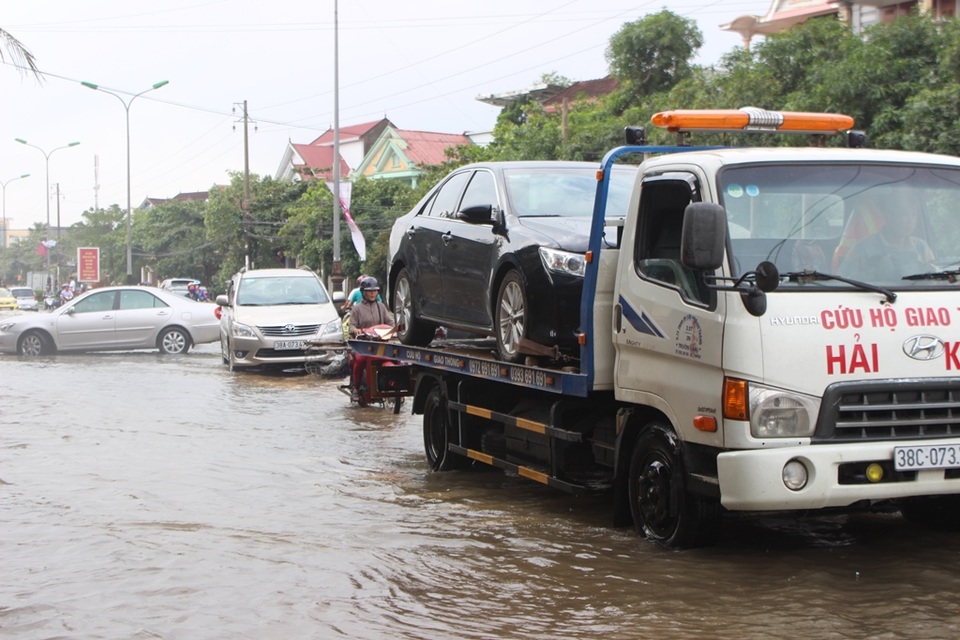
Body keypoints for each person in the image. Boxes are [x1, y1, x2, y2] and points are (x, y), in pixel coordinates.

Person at [838, 192, 935, 282]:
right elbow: (843, 282)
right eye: (904, 215)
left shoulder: (921, 247)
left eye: (914, 215)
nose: (910, 221)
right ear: (889, 216)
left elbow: (934, 278)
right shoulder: (862, 248)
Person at [347, 277, 394, 402]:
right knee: (360, 360)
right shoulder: (356, 309)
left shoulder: (381, 307)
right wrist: (356, 330)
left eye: (375, 291)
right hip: (362, 345)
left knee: (395, 358)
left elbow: (390, 322)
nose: (373, 293)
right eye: (370, 291)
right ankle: (356, 388)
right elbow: (352, 326)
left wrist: (395, 329)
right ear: (364, 292)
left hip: (380, 344)